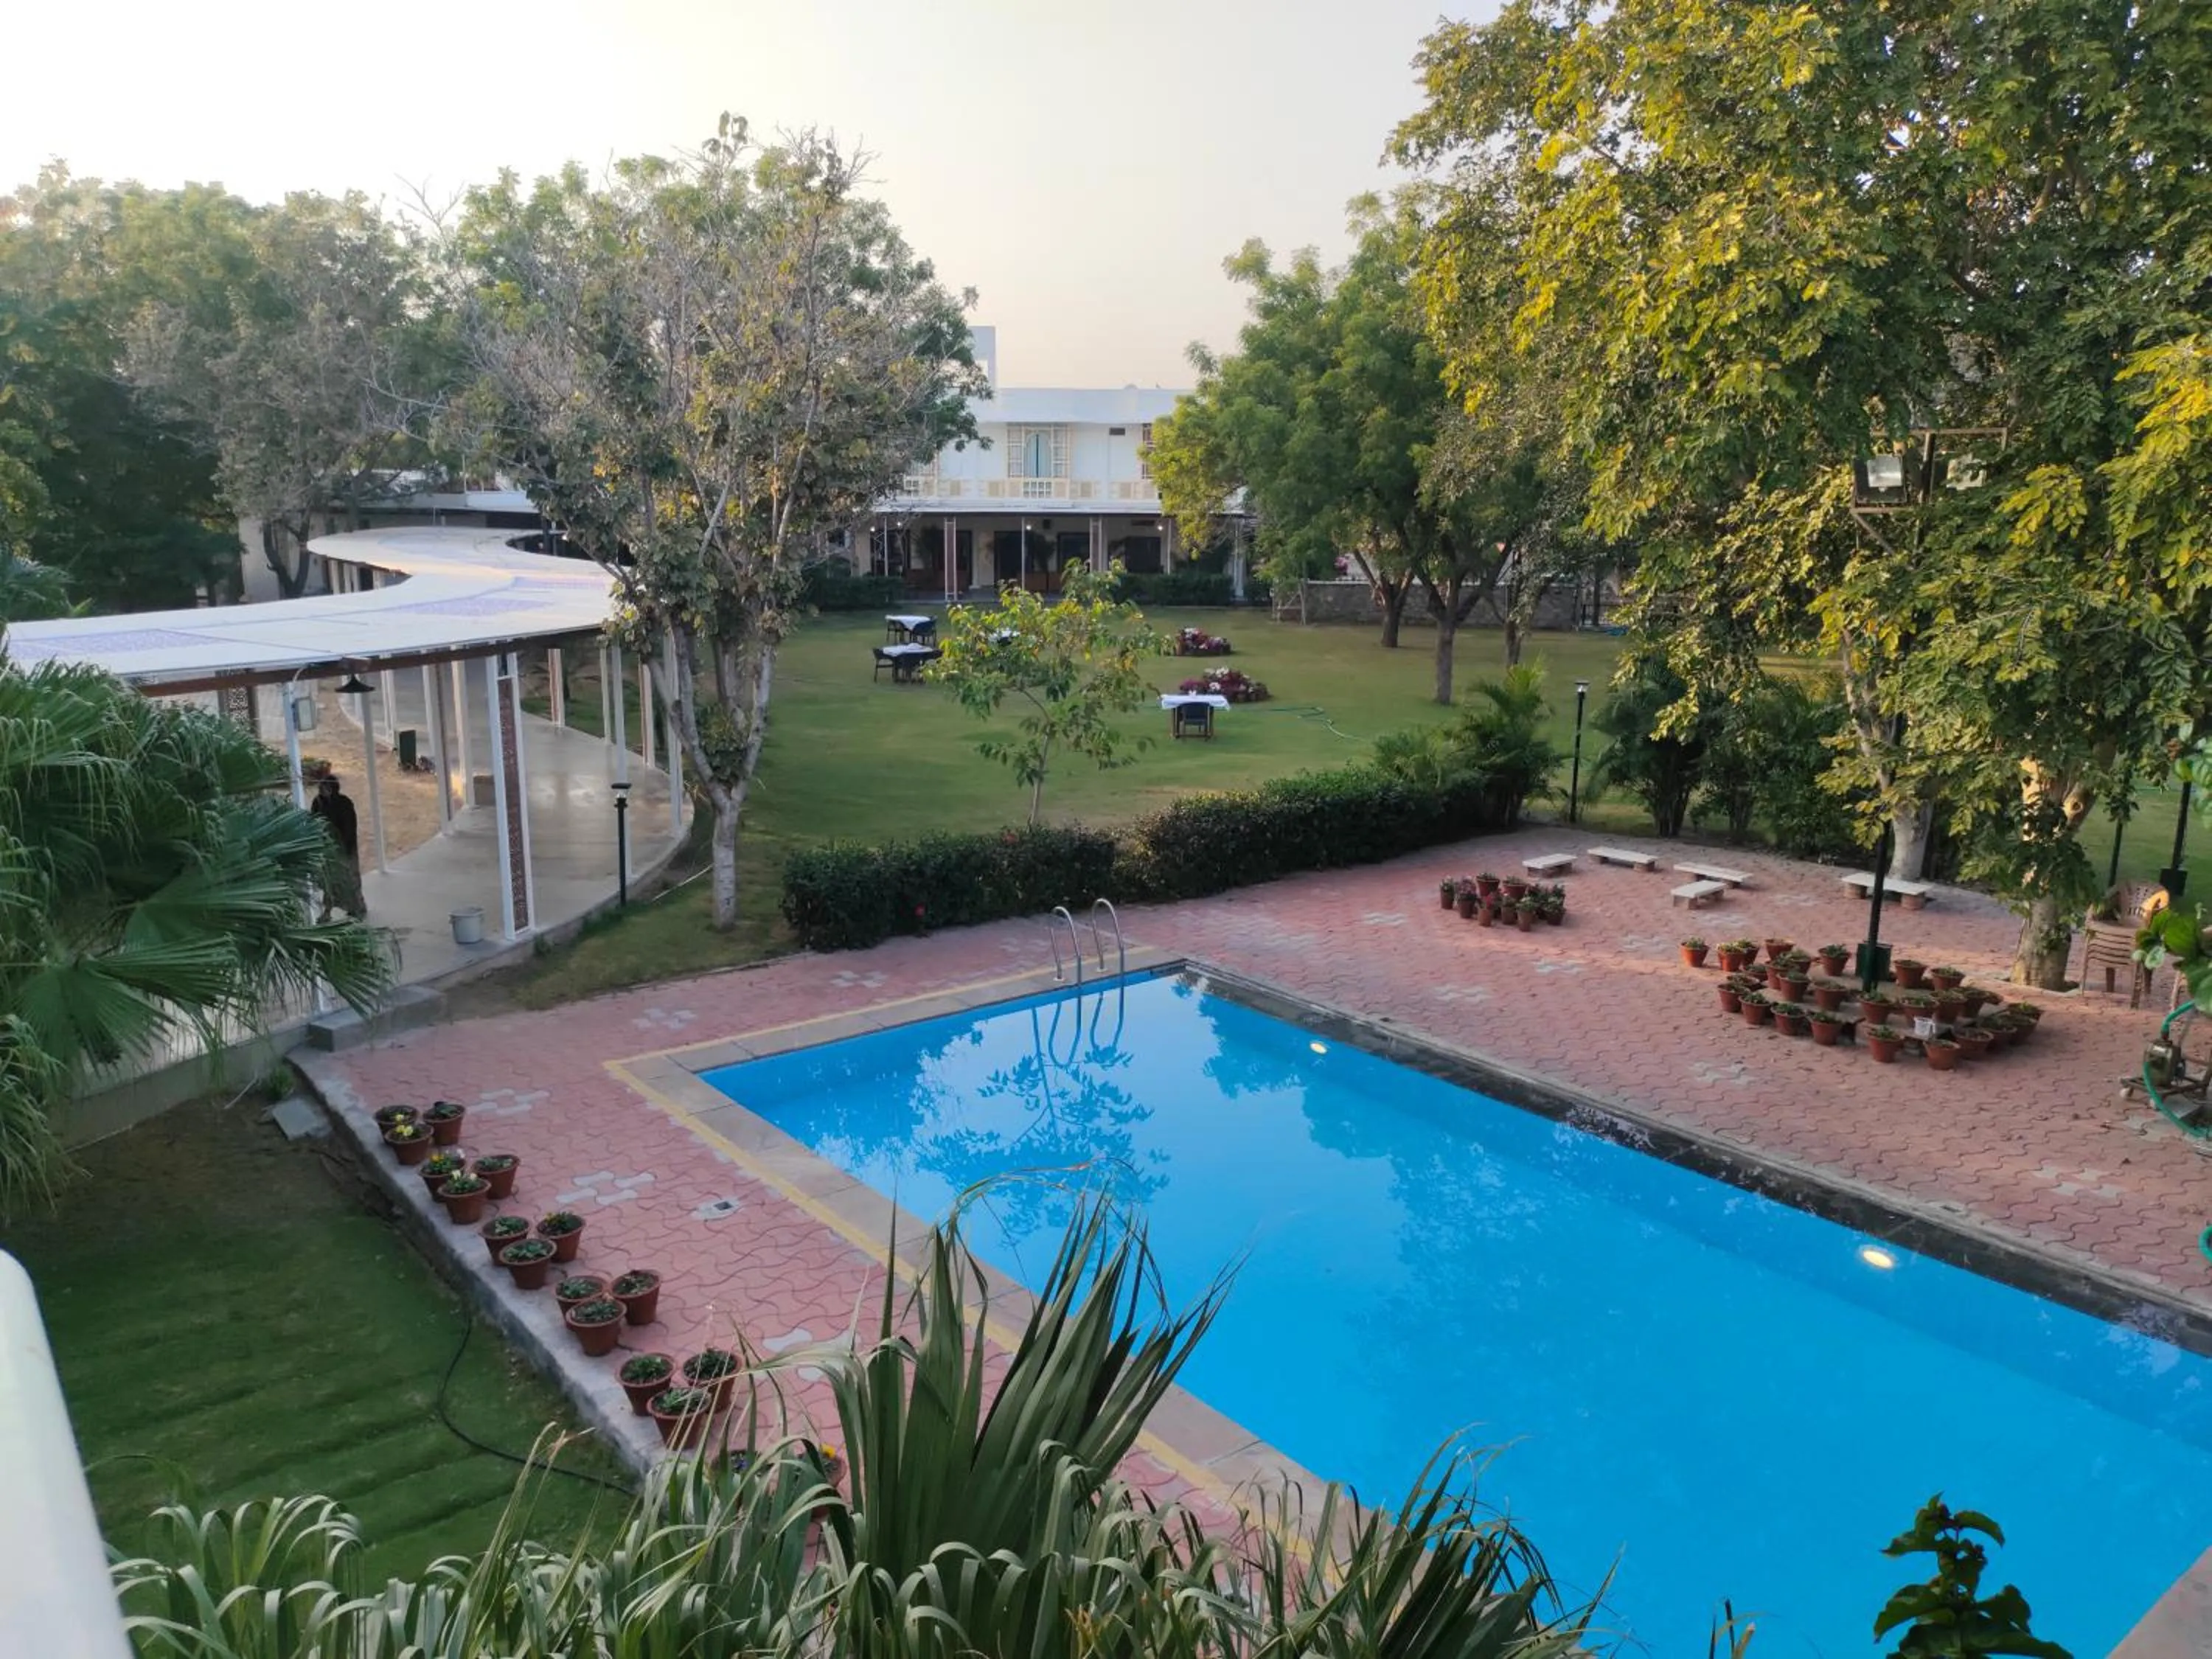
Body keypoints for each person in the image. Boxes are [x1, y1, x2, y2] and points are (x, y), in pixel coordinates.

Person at [310, 774, 366, 922]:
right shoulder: (317, 803)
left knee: (350, 880)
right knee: (328, 882)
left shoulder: (345, 803)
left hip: (344, 849)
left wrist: (343, 847)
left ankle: (357, 908)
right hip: (327, 849)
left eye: (325, 787)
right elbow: (313, 823)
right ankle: (327, 911)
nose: (322, 790)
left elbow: (349, 828)